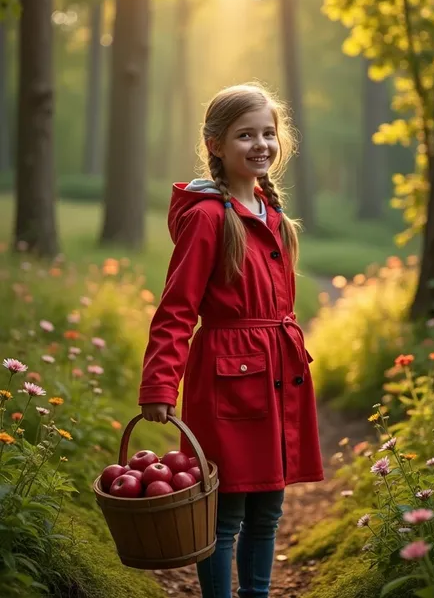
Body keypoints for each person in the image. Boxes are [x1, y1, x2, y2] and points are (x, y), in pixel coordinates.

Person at [139, 83, 324, 598]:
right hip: (228, 380)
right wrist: (159, 386)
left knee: (269, 508)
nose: (260, 144)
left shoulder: (276, 217)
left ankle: (257, 595)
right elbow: (176, 310)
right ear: (216, 144)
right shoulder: (206, 218)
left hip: (278, 377)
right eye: (246, 135)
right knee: (224, 511)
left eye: (268, 133)